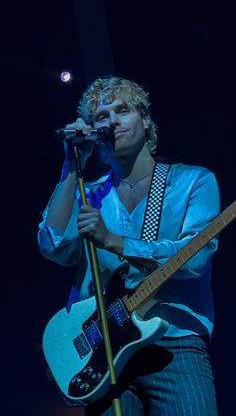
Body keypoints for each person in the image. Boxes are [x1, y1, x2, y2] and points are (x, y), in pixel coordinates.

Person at [38, 76, 220, 415]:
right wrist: (69, 165)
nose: (112, 120)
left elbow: (195, 260)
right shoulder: (87, 193)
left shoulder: (193, 181)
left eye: (122, 110)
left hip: (174, 343)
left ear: (146, 121)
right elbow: (53, 245)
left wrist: (114, 241)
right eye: (101, 116)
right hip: (103, 350)